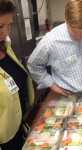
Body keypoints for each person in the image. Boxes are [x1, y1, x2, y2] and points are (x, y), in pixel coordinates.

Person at [27, 0, 82, 97]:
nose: (79, 37)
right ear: (66, 20)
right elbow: (33, 65)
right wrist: (52, 85)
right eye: (74, 32)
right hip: (65, 95)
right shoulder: (51, 40)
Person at [0, 0, 35, 149]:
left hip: (18, 129)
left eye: (9, 25)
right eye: (0, 26)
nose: (6, 32)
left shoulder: (5, 47)